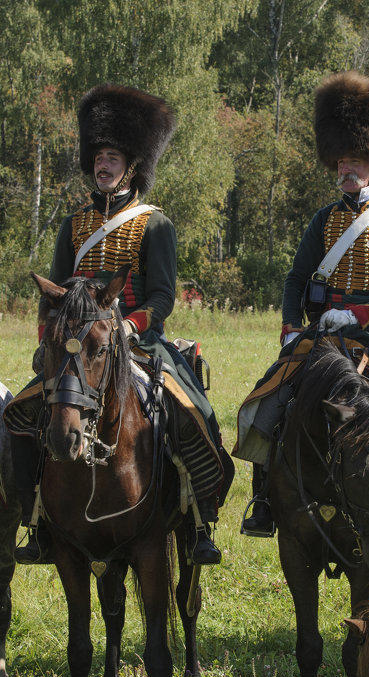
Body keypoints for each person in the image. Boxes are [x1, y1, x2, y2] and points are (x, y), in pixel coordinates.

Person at [13, 84, 231, 566]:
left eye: (113, 158)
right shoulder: (74, 224)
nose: (103, 166)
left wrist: (130, 327)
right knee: (26, 413)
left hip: (139, 341)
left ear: (133, 167)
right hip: (78, 344)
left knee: (193, 412)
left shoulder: (155, 224)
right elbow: (58, 290)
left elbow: (162, 297)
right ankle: (38, 518)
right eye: (99, 157)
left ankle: (200, 520)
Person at [236, 72, 369, 537]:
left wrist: (359, 314)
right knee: (270, 399)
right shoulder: (323, 219)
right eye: (341, 161)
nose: (347, 170)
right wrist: (287, 323)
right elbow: (296, 279)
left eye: (356, 161)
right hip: (324, 335)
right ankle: (263, 498)